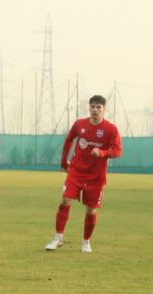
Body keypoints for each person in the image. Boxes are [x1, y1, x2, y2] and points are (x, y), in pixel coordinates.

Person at [45, 95, 121, 253]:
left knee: (91, 210)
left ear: (104, 109)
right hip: (76, 171)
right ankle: (58, 237)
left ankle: (86, 241)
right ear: (89, 108)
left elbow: (117, 151)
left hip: (96, 176)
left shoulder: (111, 129)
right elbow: (68, 140)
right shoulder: (79, 124)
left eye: (98, 107)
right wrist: (63, 161)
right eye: (92, 106)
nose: (95, 110)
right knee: (65, 200)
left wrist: (101, 152)